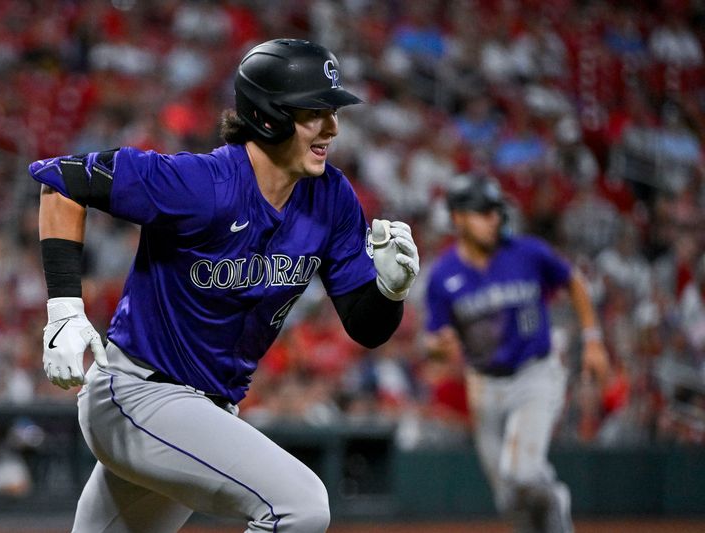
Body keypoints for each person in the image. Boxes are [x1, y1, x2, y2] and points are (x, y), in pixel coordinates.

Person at [30, 38, 420, 533]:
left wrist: (390, 291)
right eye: (314, 112)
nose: (333, 126)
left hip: (203, 413)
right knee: (299, 506)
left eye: (332, 110)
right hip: (136, 394)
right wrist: (64, 309)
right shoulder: (202, 184)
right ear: (269, 116)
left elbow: (365, 329)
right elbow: (61, 181)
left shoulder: (332, 197)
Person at [423, 174, 608, 533]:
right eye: (482, 211)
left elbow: (573, 281)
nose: (493, 218)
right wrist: (438, 348)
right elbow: (435, 341)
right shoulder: (444, 274)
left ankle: (553, 494)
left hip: (534, 373)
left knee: (522, 471)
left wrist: (594, 339)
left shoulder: (526, 252)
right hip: (484, 387)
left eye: (495, 211)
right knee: (511, 499)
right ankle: (550, 510)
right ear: (457, 218)